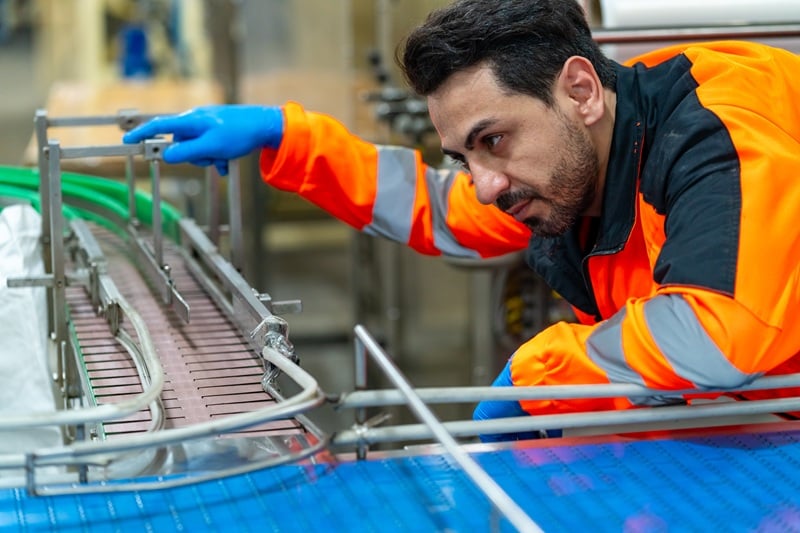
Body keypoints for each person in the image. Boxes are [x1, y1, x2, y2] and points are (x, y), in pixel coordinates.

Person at [123, 0, 800, 441]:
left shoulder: (721, 132)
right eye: (464, 154)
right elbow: (444, 209)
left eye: (494, 140)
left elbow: (717, 331)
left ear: (582, 90)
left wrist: (538, 374)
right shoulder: (580, 149)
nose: (485, 183)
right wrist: (285, 138)